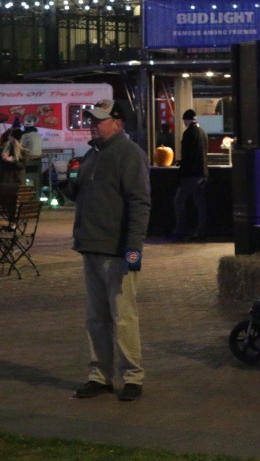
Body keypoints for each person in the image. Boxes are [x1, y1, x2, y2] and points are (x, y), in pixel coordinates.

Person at [69, 99, 151, 402]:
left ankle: (132, 377)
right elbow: (84, 197)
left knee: (123, 317)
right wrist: (69, 183)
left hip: (116, 251)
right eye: (92, 119)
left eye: (99, 120)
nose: (93, 124)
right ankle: (99, 375)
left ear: (117, 124)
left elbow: (139, 203)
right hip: (91, 247)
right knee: (96, 318)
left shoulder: (129, 154)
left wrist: (133, 250)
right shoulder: (93, 153)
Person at [173, 109, 208, 241]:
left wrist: (181, 174)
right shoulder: (203, 133)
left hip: (191, 175)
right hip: (203, 173)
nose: (184, 124)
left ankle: (180, 230)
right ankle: (201, 231)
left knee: (178, 201)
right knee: (200, 204)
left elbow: (188, 156)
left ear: (187, 120)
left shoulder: (188, 133)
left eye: (184, 121)